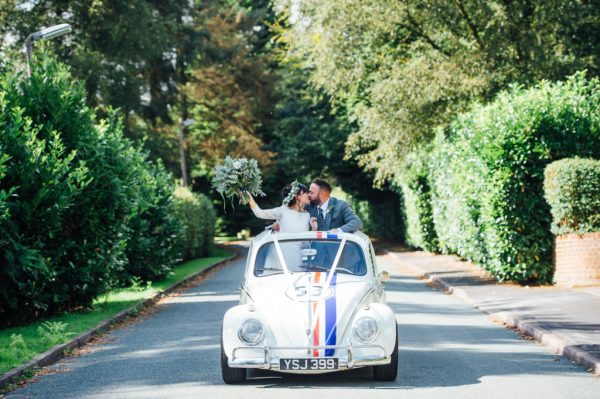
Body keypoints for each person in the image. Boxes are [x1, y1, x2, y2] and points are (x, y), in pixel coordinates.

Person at [245, 181, 318, 233]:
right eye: (306, 193)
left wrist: (314, 228)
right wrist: (246, 194)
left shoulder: (307, 215)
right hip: (282, 252)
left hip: (300, 254)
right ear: (297, 196)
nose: (309, 195)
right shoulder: (283, 210)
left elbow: (307, 242)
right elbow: (259, 213)